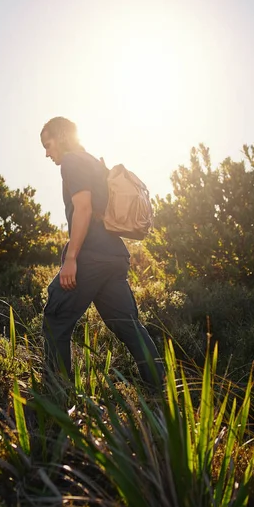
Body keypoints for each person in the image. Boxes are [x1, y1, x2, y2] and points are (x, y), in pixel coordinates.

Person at [40, 117, 164, 391]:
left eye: (47, 145)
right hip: (114, 257)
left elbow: (83, 209)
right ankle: (160, 390)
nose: (47, 153)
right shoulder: (95, 162)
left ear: (60, 137)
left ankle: (58, 397)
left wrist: (71, 258)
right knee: (129, 327)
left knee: (55, 320)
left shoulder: (72, 162)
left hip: (91, 256)